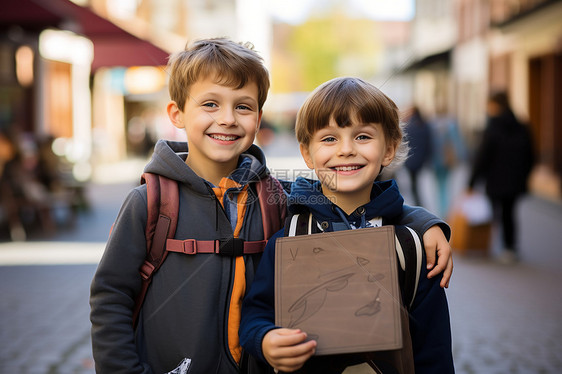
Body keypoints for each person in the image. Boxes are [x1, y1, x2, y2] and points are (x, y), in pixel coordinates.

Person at [90, 39, 453, 374]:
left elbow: (349, 202)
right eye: (210, 104)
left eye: (243, 106)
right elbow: (111, 296)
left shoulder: (275, 197)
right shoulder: (149, 203)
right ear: (177, 114)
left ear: (258, 120)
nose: (228, 118)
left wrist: (425, 222)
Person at [239, 77, 454, 373]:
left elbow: (434, 348)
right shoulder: (289, 236)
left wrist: (427, 224)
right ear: (307, 153)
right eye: (329, 138)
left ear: (389, 149)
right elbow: (256, 313)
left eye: (363, 137)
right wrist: (264, 339)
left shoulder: (413, 248)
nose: (346, 150)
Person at [468, 91, 534, 264]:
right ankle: (509, 247)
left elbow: (483, 157)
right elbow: (531, 155)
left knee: (493, 213)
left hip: (495, 180)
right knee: (509, 212)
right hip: (515, 180)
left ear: (496, 105)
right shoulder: (521, 126)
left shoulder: (493, 127)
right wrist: (524, 175)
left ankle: (489, 244)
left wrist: (472, 181)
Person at [403, 106, 432, 206]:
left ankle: (418, 203)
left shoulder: (409, 126)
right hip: (420, 160)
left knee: (413, 184)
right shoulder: (425, 126)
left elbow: (405, 143)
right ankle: (419, 202)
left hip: (410, 160)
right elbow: (429, 144)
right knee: (416, 183)